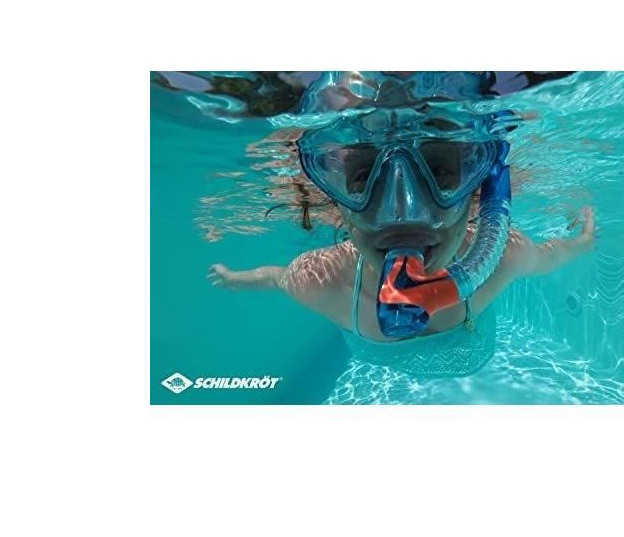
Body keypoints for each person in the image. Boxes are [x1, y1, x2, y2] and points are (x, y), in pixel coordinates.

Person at [208, 71, 595, 344]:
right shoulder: (320, 282)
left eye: (439, 172)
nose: (402, 210)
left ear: (485, 189)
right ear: (335, 198)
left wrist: (580, 242)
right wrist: (237, 279)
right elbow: (276, 278)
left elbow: (550, 256)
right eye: (363, 177)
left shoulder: (503, 256)